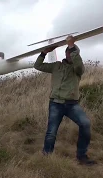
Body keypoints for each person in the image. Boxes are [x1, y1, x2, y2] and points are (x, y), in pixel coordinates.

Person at [33, 35, 96, 165]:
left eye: (72, 53)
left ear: (76, 55)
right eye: (68, 52)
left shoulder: (78, 69)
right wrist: (44, 53)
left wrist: (72, 46)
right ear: (65, 54)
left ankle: (82, 156)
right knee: (51, 132)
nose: (70, 55)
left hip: (72, 105)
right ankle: (46, 157)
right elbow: (37, 66)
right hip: (55, 103)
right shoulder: (56, 66)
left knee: (85, 124)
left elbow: (78, 65)